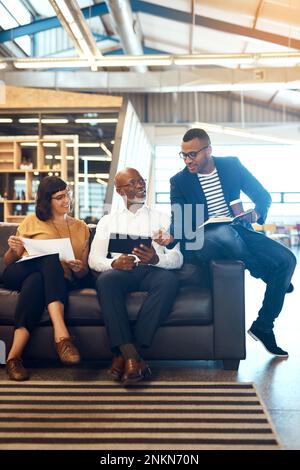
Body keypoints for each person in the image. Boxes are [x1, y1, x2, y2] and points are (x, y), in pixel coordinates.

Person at [168, 127, 296, 357]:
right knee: (225, 234)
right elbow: (180, 219)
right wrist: (170, 236)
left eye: (192, 154)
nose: (187, 160)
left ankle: (264, 326)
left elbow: (263, 196)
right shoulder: (179, 181)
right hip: (202, 238)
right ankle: (265, 273)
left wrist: (256, 214)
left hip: (239, 230)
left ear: (208, 150)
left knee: (287, 259)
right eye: (183, 155)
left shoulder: (231, 166)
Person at [89, 167, 182, 385]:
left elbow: (178, 258)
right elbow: (94, 259)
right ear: (120, 191)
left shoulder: (163, 219)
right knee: (105, 280)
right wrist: (114, 262)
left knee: (169, 281)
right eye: (132, 183)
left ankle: (127, 355)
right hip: (123, 272)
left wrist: (157, 260)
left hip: (153, 271)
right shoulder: (107, 222)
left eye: (141, 181)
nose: (140, 185)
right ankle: (134, 358)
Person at [3, 176, 90, 381]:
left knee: (36, 283)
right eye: (60, 197)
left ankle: (13, 358)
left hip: (54, 280)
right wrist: (15, 251)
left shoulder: (81, 227)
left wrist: (79, 268)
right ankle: (62, 337)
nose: (66, 200)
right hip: (19, 272)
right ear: (46, 201)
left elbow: (84, 272)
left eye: (68, 194)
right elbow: (8, 262)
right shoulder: (31, 221)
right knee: (49, 260)